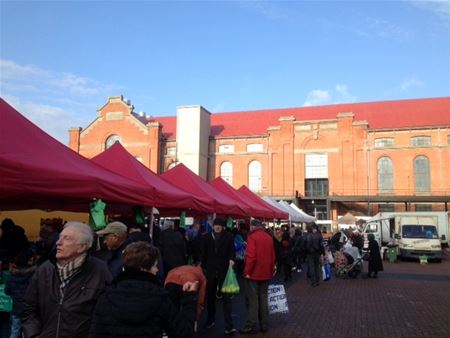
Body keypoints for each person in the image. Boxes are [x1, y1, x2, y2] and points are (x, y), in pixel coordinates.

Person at [88, 242, 198, 338]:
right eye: (155, 266)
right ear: (145, 269)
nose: (157, 269)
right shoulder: (160, 298)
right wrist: (189, 298)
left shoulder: (106, 295)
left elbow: (95, 332)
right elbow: (183, 332)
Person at [22, 221, 112, 338]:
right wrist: (33, 335)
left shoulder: (100, 270)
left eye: (67, 239)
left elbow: (107, 314)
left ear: (82, 247)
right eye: (59, 238)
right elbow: (29, 308)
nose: (58, 243)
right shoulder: (45, 269)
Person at [200, 218, 237, 335]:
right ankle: (210, 320)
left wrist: (231, 259)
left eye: (219, 225)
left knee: (226, 299)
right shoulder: (206, 237)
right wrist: (205, 267)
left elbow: (232, 251)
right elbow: (203, 254)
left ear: (222, 227)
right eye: (215, 225)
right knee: (210, 297)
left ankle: (229, 325)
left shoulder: (228, 236)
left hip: (224, 271)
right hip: (210, 272)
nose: (217, 227)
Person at [240, 219, 276, 335]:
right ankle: (264, 324)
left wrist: (247, 271)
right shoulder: (269, 237)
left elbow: (251, 257)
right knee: (263, 298)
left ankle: (251, 324)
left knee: (253, 300)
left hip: (254, 273)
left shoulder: (252, 237)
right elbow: (272, 256)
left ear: (253, 226)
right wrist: (271, 270)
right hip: (266, 272)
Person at [164, 264, 207, 332]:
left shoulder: (188, 267)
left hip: (169, 281)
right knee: (188, 306)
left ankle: (169, 330)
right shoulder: (202, 277)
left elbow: (169, 273)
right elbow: (200, 298)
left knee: (172, 309)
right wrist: (196, 318)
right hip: (187, 283)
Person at [5, 249, 36, 338]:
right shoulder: (33, 274)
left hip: (16, 308)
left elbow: (7, 291)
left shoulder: (12, 275)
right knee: (29, 332)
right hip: (30, 309)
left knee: (15, 331)